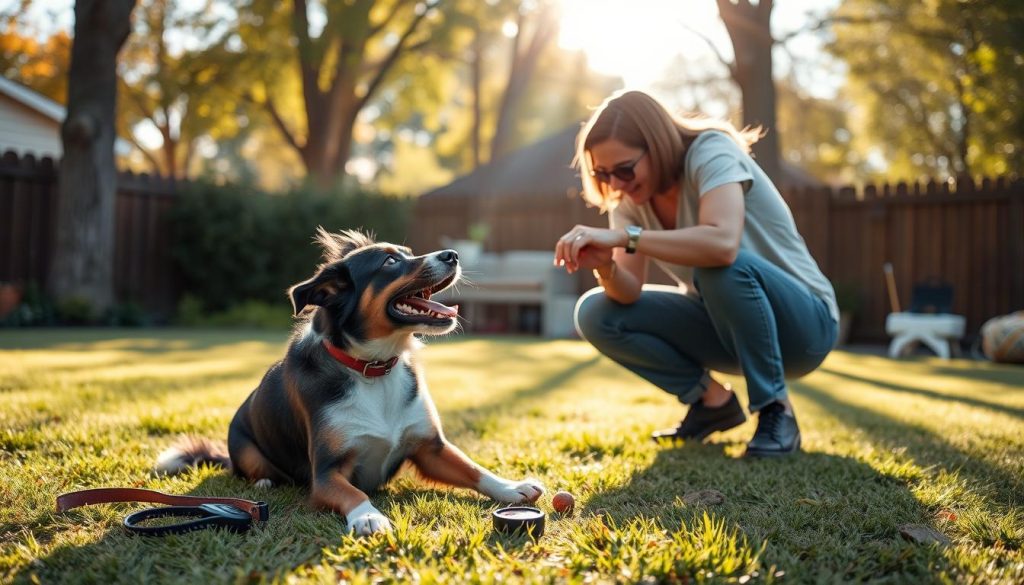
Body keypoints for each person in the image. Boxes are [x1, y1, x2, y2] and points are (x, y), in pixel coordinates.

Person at [554, 90, 838, 457]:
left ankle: (775, 409)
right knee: (596, 312)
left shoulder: (711, 151)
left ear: (657, 145)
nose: (617, 184)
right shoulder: (628, 201)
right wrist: (606, 266)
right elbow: (627, 294)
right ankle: (713, 404)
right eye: (603, 173)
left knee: (720, 269)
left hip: (805, 327)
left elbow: (722, 246)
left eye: (625, 169)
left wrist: (626, 237)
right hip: (726, 328)